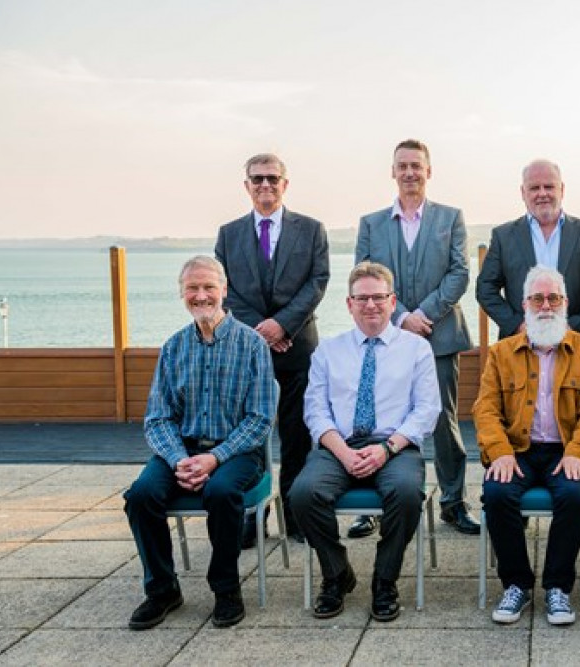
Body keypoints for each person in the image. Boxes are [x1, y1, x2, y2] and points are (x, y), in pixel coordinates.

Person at [124, 255, 277, 630]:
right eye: (192, 288)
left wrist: (214, 458)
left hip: (238, 450)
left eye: (209, 287)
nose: (201, 295)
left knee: (222, 493)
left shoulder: (252, 345)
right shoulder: (173, 347)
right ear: (182, 295)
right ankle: (162, 589)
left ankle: (225, 590)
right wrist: (180, 459)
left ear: (224, 291)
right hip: (183, 449)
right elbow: (158, 417)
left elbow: (260, 419)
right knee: (141, 496)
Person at [291, 261, 441, 622]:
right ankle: (336, 573)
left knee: (406, 494)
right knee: (302, 493)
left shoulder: (416, 349)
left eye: (378, 297)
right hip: (340, 445)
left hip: (395, 447)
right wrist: (342, 452)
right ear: (349, 304)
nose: (370, 305)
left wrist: (386, 449)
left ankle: (385, 580)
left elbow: (427, 410)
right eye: (362, 298)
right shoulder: (328, 350)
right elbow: (315, 411)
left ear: (393, 302)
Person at [354, 139, 477, 536]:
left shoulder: (451, 218)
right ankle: (371, 503)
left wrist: (423, 314)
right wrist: (402, 316)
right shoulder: (371, 223)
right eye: (402, 166)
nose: (409, 172)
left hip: (438, 335)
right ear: (393, 172)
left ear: (429, 171)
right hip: (387, 336)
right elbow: (363, 274)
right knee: (378, 418)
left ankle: (453, 501)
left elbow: (459, 273)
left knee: (443, 421)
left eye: (416, 166)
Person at [474, 266, 580, 626]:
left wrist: (578, 452)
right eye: (537, 298)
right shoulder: (501, 353)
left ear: (565, 302)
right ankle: (516, 583)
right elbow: (485, 408)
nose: (545, 305)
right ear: (524, 304)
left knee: (576, 496)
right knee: (498, 494)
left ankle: (557, 588)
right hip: (516, 450)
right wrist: (500, 451)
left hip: (566, 450)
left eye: (553, 298)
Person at [215, 153, 329, 545]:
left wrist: (283, 325)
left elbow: (317, 281)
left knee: (297, 436)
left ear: (285, 183)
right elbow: (223, 288)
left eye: (272, 179)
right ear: (246, 185)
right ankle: (252, 515)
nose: (265, 185)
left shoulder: (311, 230)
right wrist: (260, 330)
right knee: (250, 433)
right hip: (247, 350)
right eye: (257, 179)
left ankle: (297, 517)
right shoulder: (228, 235)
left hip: (297, 348)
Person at [476, 159, 580, 340]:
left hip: (577, 343)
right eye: (534, 188)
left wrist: (576, 326)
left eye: (549, 186)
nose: (542, 193)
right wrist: (517, 326)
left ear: (562, 189)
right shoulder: (504, 236)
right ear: (523, 192)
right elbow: (485, 288)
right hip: (520, 344)